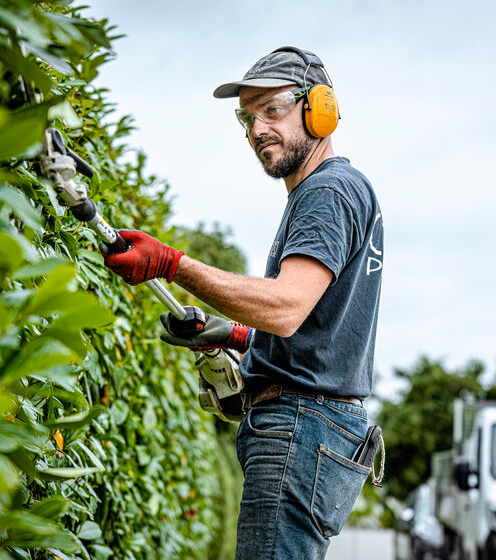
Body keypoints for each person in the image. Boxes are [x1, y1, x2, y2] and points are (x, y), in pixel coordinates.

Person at [101, 46, 383, 560]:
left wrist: (171, 264)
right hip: (318, 424)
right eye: (247, 117)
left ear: (318, 109)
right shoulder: (333, 192)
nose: (256, 130)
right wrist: (235, 336)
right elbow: (317, 330)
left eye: (271, 109)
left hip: (301, 424)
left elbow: (285, 308)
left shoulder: (328, 192)